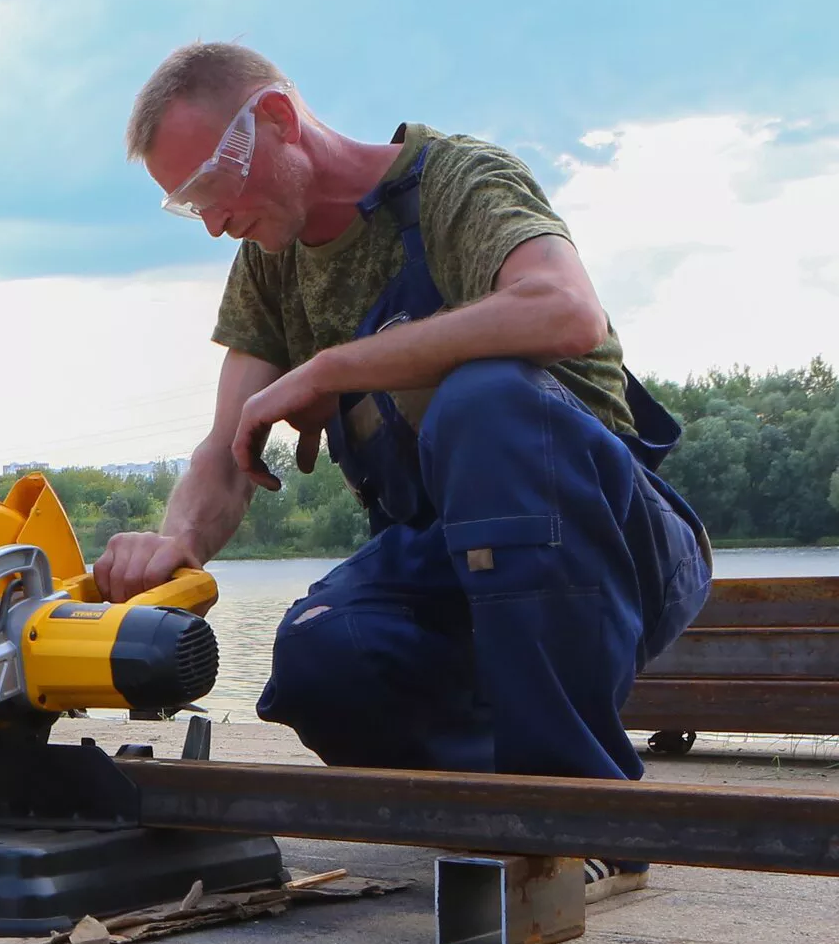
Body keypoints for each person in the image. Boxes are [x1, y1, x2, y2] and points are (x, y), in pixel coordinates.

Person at [91, 42, 711, 804]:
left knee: (483, 398)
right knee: (322, 657)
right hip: (446, 570)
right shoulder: (269, 262)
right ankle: (500, 803)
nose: (214, 223)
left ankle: (583, 812)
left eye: (214, 184)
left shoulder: (457, 181)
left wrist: (333, 368)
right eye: (190, 203)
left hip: (608, 551)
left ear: (279, 119)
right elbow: (226, 451)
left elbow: (564, 308)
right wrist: (175, 543)